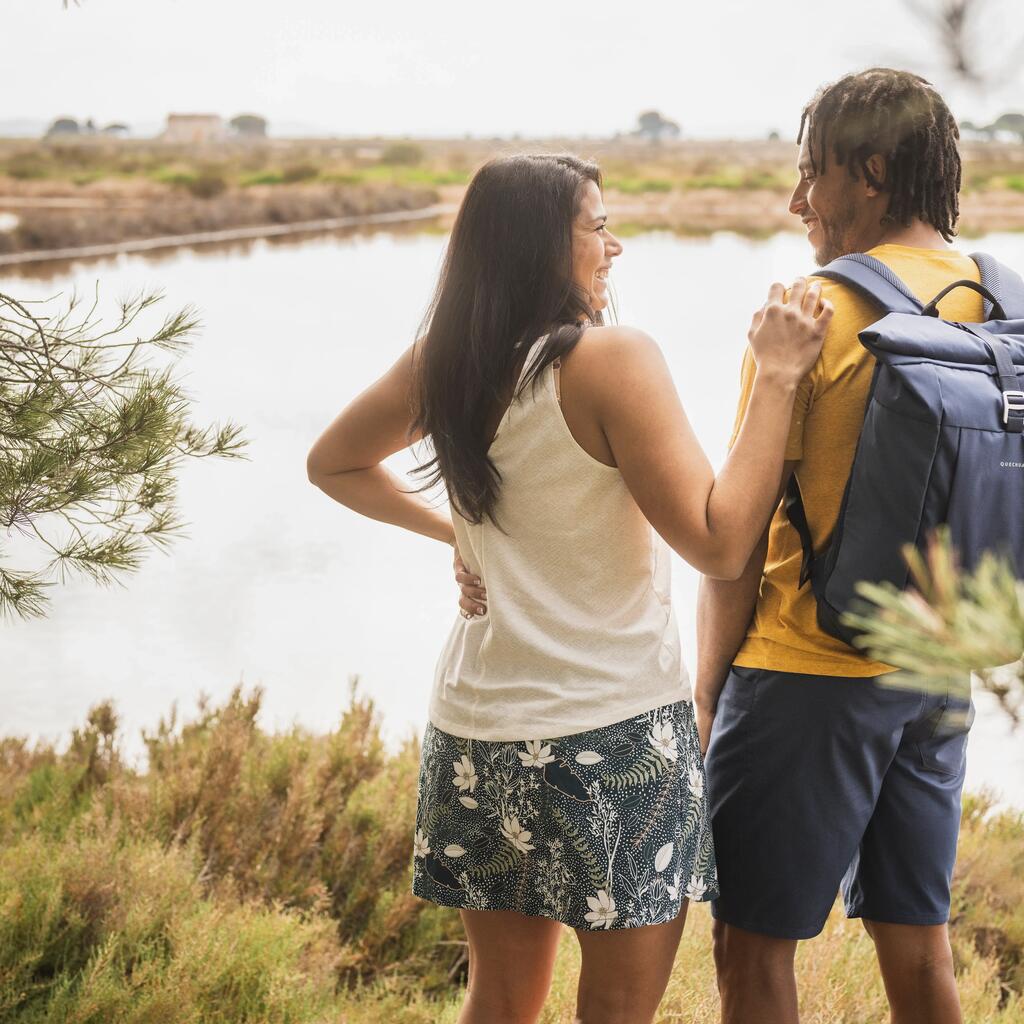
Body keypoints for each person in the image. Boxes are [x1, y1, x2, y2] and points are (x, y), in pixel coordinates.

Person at [308, 152, 831, 1024]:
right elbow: (721, 543)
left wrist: (464, 536)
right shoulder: (612, 361)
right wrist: (777, 377)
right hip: (611, 739)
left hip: (478, 734)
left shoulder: (448, 361)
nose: (614, 246)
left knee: (500, 1004)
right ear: (540, 245)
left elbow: (335, 463)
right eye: (597, 226)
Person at [695, 69, 979, 1024]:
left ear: (868, 171)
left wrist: (707, 691)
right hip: (937, 663)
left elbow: (737, 537)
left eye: (810, 174)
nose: (797, 201)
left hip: (806, 670)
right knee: (918, 943)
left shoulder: (809, 314)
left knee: (752, 945)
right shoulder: (996, 299)